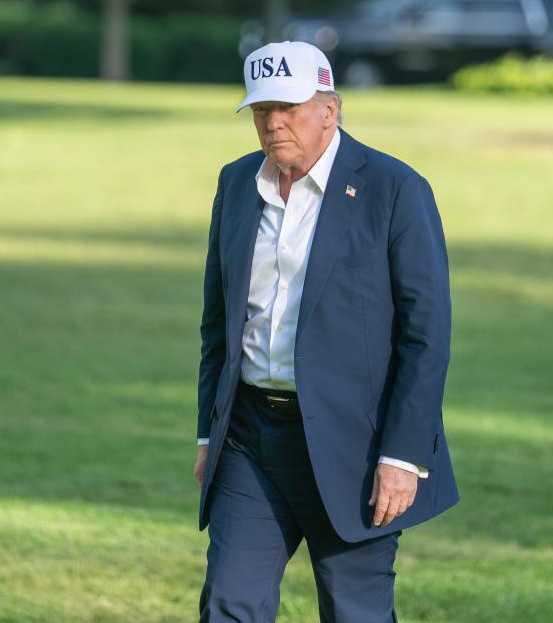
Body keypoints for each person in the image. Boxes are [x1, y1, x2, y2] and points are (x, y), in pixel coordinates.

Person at [194, 41, 457, 622]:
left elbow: (426, 335)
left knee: (353, 611)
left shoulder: (394, 189)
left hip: (353, 448)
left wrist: (403, 456)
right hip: (248, 439)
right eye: (262, 110)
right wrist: (208, 435)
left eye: (288, 108)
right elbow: (219, 324)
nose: (273, 123)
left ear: (329, 110)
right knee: (228, 603)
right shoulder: (236, 184)